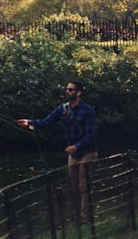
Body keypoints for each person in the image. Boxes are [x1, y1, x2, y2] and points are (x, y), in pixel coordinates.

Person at [17, 81, 97, 225]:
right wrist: (29, 122)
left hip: (87, 152)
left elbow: (90, 135)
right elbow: (46, 121)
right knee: (75, 187)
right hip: (73, 154)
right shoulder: (62, 109)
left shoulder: (87, 110)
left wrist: (76, 146)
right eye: (67, 89)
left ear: (79, 93)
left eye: (71, 90)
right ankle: (79, 218)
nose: (67, 92)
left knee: (84, 187)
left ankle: (86, 220)